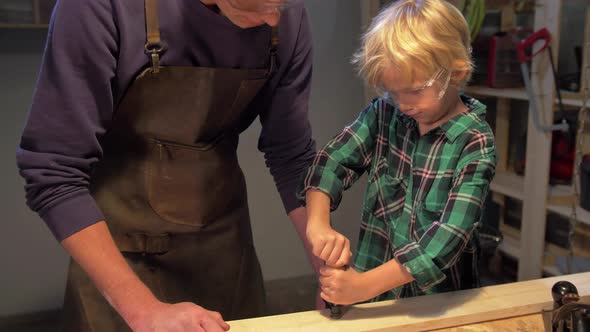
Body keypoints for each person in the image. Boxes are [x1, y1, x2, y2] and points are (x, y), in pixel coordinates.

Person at [16, 0, 321, 330]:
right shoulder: (101, 7)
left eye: (280, 4)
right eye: (258, 6)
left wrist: (328, 270)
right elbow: (53, 172)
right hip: (120, 261)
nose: (273, 18)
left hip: (226, 255)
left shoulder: (283, 14)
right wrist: (143, 310)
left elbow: (291, 154)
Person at [298, 0, 497, 306]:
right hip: (372, 287)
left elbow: (449, 235)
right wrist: (318, 224)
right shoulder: (383, 114)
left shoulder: (475, 142)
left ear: (456, 73)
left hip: (438, 302)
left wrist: (363, 286)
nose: (403, 104)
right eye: (393, 91)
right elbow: (331, 161)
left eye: (415, 90)